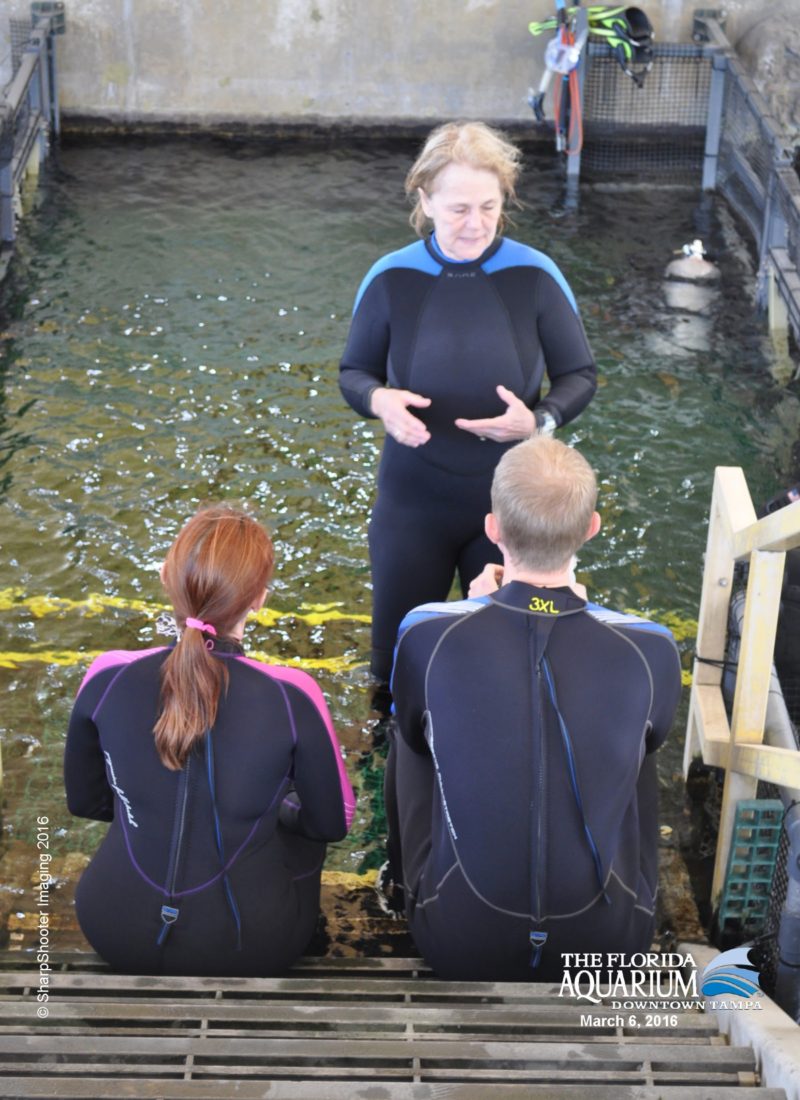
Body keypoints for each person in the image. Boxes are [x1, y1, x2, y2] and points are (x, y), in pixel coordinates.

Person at [384, 437, 682, 981]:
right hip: (610, 947)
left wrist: (471, 613)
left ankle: (402, 886)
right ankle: (634, 896)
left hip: (457, 939)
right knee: (637, 740)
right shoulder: (652, 646)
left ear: (492, 529)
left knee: (410, 731)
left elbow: (413, 718)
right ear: (591, 527)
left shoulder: (427, 630)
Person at [339, 120, 597, 690]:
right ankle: (391, 773)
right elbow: (352, 374)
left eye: (489, 206)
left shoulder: (534, 276)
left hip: (511, 509)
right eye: (458, 209)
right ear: (425, 200)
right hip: (412, 506)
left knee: (512, 669)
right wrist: (380, 400)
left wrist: (540, 421)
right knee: (395, 672)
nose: (475, 224)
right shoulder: (391, 278)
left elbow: (580, 375)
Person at [64, 505, 356, 976]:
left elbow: (86, 802)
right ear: (259, 598)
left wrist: (148, 797)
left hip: (111, 926)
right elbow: (332, 822)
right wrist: (272, 804)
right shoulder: (291, 693)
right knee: (301, 821)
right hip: (252, 945)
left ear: (166, 578)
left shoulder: (108, 675)